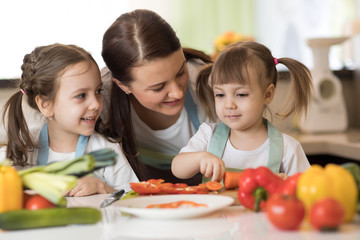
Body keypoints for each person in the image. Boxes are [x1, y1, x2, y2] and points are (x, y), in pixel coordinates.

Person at [0, 43, 138, 196]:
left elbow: (133, 202)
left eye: (98, 91)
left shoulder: (106, 150)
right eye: (81, 95)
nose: (95, 104)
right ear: (46, 105)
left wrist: (105, 189)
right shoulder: (22, 148)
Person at [171, 41, 312, 182]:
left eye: (241, 94)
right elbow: (177, 168)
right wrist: (200, 158)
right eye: (220, 95)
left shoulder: (288, 148)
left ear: (267, 94)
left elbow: (307, 190)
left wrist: (287, 184)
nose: (229, 105)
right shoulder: (209, 135)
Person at [99, 9, 212, 184]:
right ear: (123, 85)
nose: (177, 92)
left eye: (181, 72)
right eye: (158, 88)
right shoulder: (100, 97)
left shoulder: (207, 85)